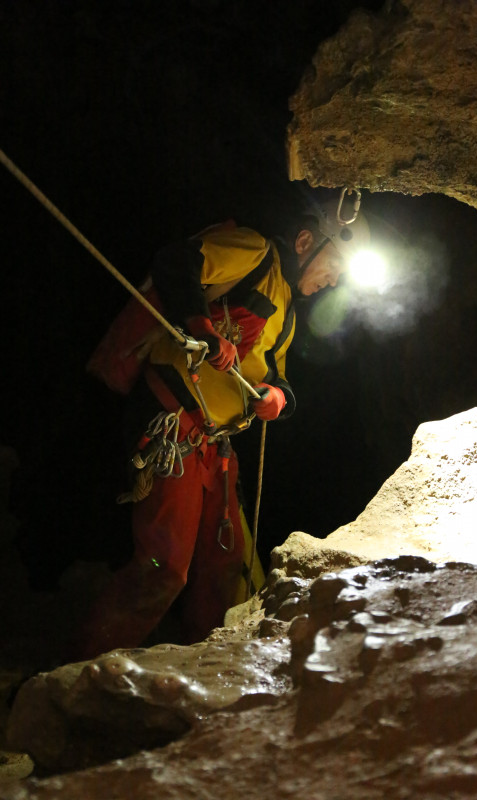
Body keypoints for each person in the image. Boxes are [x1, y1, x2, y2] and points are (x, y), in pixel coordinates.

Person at [72, 194, 370, 659]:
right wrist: (202, 328)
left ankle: (213, 671)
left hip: (213, 445)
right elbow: (178, 261)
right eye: (334, 266)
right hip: (172, 423)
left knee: (230, 572)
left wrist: (279, 399)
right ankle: (79, 669)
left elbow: (273, 374)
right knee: (164, 567)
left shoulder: (286, 306)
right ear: (306, 240)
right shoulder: (254, 252)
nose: (333, 280)